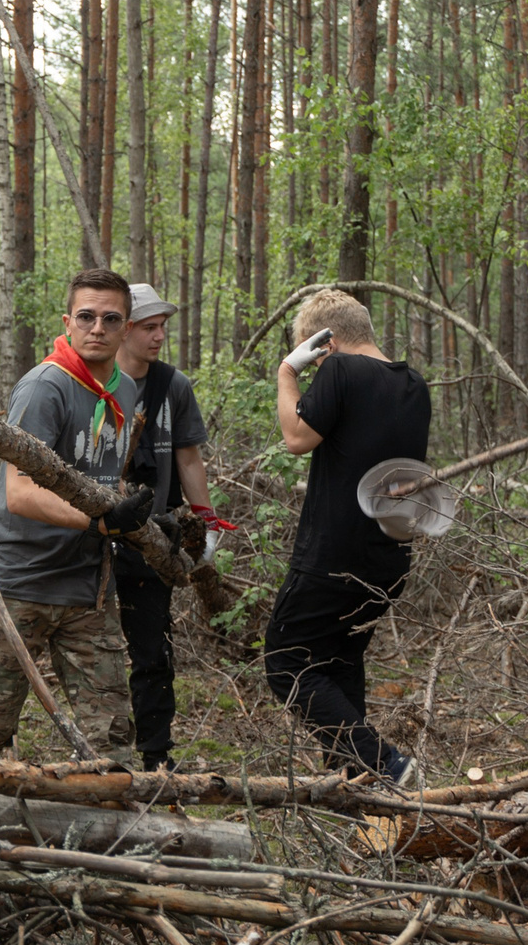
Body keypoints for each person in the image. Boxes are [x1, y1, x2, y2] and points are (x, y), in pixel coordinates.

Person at [0, 268, 148, 763]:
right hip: (19, 587)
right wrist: (100, 522)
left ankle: (114, 836)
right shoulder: (45, 387)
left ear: (126, 328)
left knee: (113, 743)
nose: (97, 328)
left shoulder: (124, 392)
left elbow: (102, 479)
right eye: (86, 316)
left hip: (87, 592)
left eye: (110, 318)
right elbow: (19, 493)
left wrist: (139, 516)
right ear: (68, 321)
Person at [262, 289, 431, 783]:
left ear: (324, 343)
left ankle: (387, 765)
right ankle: (356, 789)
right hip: (388, 555)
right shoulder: (414, 384)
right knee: (338, 666)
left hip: (333, 553)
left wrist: (287, 374)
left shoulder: (339, 371)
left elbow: (296, 438)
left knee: (286, 660)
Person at [111, 282, 230, 771]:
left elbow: (188, 457)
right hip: (89, 541)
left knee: (153, 651)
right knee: (90, 648)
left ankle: (155, 756)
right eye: (148, 327)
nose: (159, 336)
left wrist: (205, 522)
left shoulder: (174, 387)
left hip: (153, 539)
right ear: (123, 329)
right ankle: (103, 753)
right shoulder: (87, 382)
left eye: (163, 326)